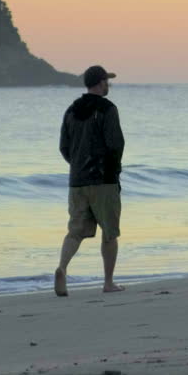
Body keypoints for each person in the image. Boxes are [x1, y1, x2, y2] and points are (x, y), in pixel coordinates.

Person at [55, 65, 125, 296]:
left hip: (77, 181)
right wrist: (114, 173)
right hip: (103, 181)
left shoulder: (71, 111)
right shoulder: (107, 109)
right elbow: (116, 145)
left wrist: (76, 165)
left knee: (74, 232)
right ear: (100, 82)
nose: (109, 85)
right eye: (107, 81)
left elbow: (63, 147)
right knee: (109, 233)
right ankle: (108, 282)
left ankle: (62, 268)